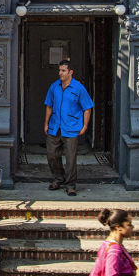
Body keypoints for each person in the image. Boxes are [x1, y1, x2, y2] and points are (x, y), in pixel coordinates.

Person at [44, 60, 94, 196]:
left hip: (71, 128)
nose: (60, 73)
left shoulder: (79, 88)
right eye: (59, 70)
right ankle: (58, 179)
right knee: (52, 155)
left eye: (63, 71)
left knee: (71, 158)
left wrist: (85, 126)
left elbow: (87, 108)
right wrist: (46, 124)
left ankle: (70, 185)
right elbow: (49, 105)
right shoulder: (54, 87)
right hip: (55, 127)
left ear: (70, 72)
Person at [81, 209, 139, 276]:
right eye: (129, 224)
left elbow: (95, 274)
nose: (132, 227)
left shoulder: (106, 245)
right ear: (118, 227)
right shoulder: (115, 249)